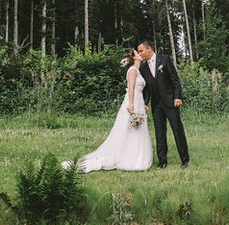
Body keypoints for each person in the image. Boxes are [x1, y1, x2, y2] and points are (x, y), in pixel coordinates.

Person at [62, 49, 152, 172]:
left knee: (137, 128)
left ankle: (136, 156)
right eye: (137, 53)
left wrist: (142, 104)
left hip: (139, 101)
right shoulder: (132, 71)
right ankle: (127, 158)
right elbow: (131, 88)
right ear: (133, 58)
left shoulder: (137, 70)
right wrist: (131, 104)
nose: (140, 54)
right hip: (133, 101)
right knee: (129, 128)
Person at [137, 40, 189, 170]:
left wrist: (177, 96)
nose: (140, 53)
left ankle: (185, 160)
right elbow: (147, 89)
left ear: (149, 49)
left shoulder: (165, 60)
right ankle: (162, 161)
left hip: (170, 102)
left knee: (177, 130)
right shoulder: (143, 68)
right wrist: (145, 103)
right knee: (159, 133)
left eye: (141, 51)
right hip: (156, 105)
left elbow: (175, 80)